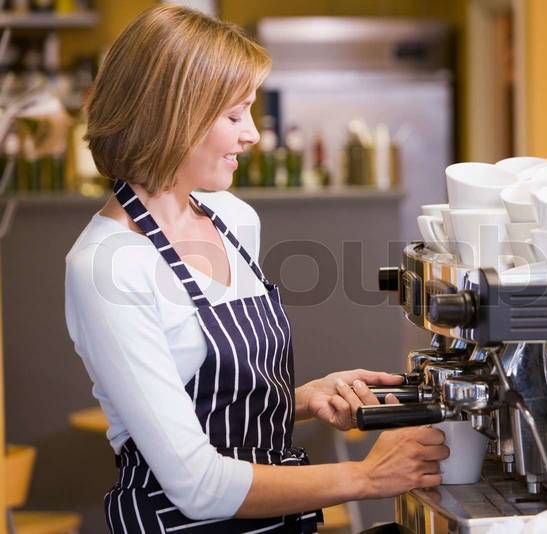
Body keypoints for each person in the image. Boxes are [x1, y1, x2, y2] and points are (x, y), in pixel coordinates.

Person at [64, 5, 447, 533]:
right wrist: (368, 476)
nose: (252, 136)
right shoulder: (106, 266)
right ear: (172, 116)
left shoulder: (233, 219)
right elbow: (195, 483)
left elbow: (211, 412)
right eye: (234, 116)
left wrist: (301, 399)